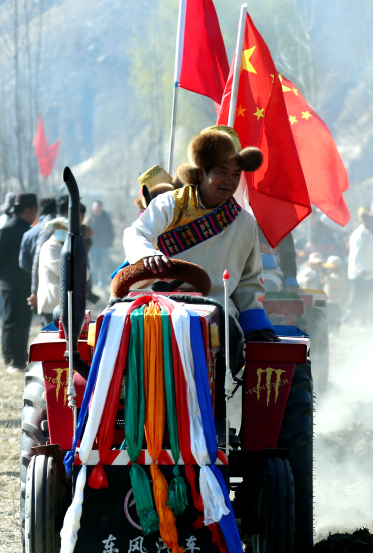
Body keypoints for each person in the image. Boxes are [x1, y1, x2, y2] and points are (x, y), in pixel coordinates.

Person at [122, 126, 278, 446]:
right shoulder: (169, 205)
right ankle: (128, 414)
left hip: (216, 309)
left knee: (226, 335)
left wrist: (255, 322)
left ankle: (213, 417)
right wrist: (148, 255)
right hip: (156, 300)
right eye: (222, 172)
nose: (230, 180)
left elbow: (248, 282)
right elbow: (136, 235)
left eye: (236, 174)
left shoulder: (245, 223)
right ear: (201, 173)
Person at [0, 194, 38, 372]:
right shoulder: (9, 229)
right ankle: (10, 358)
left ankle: (21, 358)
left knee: (24, 322)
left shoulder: (27, 228)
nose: (36, 213)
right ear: (27, 210)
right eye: (35, 210)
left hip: (24, 283)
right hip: (11, 284)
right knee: (12, 321)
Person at [346, 209, 373, 324]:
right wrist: (361, 269)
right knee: (355, 298)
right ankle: (348, 319)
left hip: (367, 273)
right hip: (359, 274)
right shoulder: (359, 234)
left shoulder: (369, 234)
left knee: (365, 298)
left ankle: (362, 320)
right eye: (370, 221)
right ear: (364, 221)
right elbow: (357, 254)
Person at [36, 217, 68, 326]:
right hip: (51, 303)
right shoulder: (49, 247)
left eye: (63, 228)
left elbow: (85, 272)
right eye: (58, 227)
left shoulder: (67, 246)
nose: (60, 230)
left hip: (62, 303)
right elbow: (60, 270)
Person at [19, 197, 56, 273]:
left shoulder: (28, 234)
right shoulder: (63, 230)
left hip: (37, 276)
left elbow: (24, 264)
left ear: (38, 213)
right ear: (56, 211)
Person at [86, 200, 115, 288]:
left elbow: (111, 232)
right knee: (92, 266)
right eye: (95, 207)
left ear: (102, 208)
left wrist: (109, 243)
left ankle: (103, 283)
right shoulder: (89, 219)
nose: (97, 209)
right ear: (92, 208)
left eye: (98, 207)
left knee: (104, 265)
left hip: (104, 247)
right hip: (92, 247)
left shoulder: (106, 218)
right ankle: (93, 283)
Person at [323, 255, 347, 333]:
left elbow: (333, 284)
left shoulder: (341, 275)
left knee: (335, 317)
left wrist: (326, 277)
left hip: (336, 300)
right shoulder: (332, 274)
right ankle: (330, 330)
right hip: (329, 299)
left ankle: (335, 331)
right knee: (329, 317)